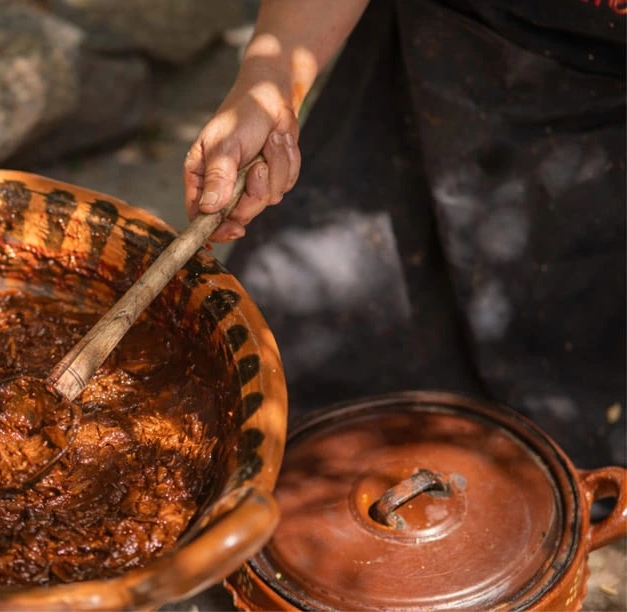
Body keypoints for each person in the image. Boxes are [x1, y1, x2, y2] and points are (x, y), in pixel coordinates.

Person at [184, 0, 625, 469]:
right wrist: (270, 76)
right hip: (418, 75)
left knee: (537, 460)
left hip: (601, 174)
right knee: (256, 360)